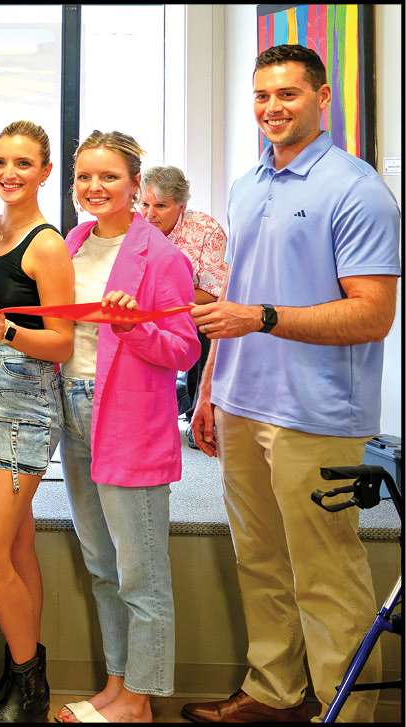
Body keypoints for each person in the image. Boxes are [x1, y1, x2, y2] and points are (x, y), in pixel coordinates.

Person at [183, 44, 400, 724]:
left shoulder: (357, 189)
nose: (272, 107)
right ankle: (273, 691)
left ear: (322, 98)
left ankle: (345, 712)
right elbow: (237, 294)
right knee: (261, 562)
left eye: (288, 94)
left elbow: (373, 315)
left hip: (316, 414)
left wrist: (264, 318)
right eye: (262, 95)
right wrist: (211, 386)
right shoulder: (248, 184)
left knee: (326, 574)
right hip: (241, 401)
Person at [54, 130, 199, 724]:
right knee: (101, 565)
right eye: (85, 177)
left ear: (136, 184)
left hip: (129, 420)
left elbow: (184, 349)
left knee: (141, 572)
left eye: (109, 176)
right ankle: (117, 684)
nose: (95, 187)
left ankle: (140, 699)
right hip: (72, 409)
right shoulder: (72, 243)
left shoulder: (161, 257)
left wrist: (135, 329)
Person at [0, 120, 74, 723]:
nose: (9, 173)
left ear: (45, 172)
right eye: (1, 161)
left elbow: (62, 342)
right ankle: (18, 676)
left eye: (23, 164)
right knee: (18, 546)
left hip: (24, 411)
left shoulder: (47, 246)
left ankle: (31, 688)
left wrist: (8, 333)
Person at [137, 165, 226, 430]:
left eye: (160, 206)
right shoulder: (132, 227)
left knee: (209, 322)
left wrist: (163, 306)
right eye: (145, 204)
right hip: (142, 308)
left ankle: (199, 411)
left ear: (181, 206)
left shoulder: (205, 229)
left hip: (190, 308)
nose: (150, 214)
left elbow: (213, 291)